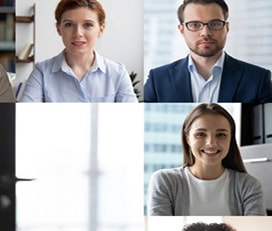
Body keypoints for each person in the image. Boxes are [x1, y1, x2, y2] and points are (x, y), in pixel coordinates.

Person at [143, 0, 272, 103]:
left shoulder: (257, 79)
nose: (205, 33)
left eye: (215, 24)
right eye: (194, 25)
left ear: (226, 28)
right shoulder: (158, 79)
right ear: (182, 30)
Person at [147, 103, 264, 216]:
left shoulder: (249, 186)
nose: (211, 143)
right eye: (201, 134)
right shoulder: (164, 181)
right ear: (187, 138)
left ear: (231, 139)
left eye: (221, 135)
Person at [21, 0, 136, 102]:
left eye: (87, 25)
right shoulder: (41, 72)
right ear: (58, 29)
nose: (78, 33)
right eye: (69, 24)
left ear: (101, 30)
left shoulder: (118, 73)